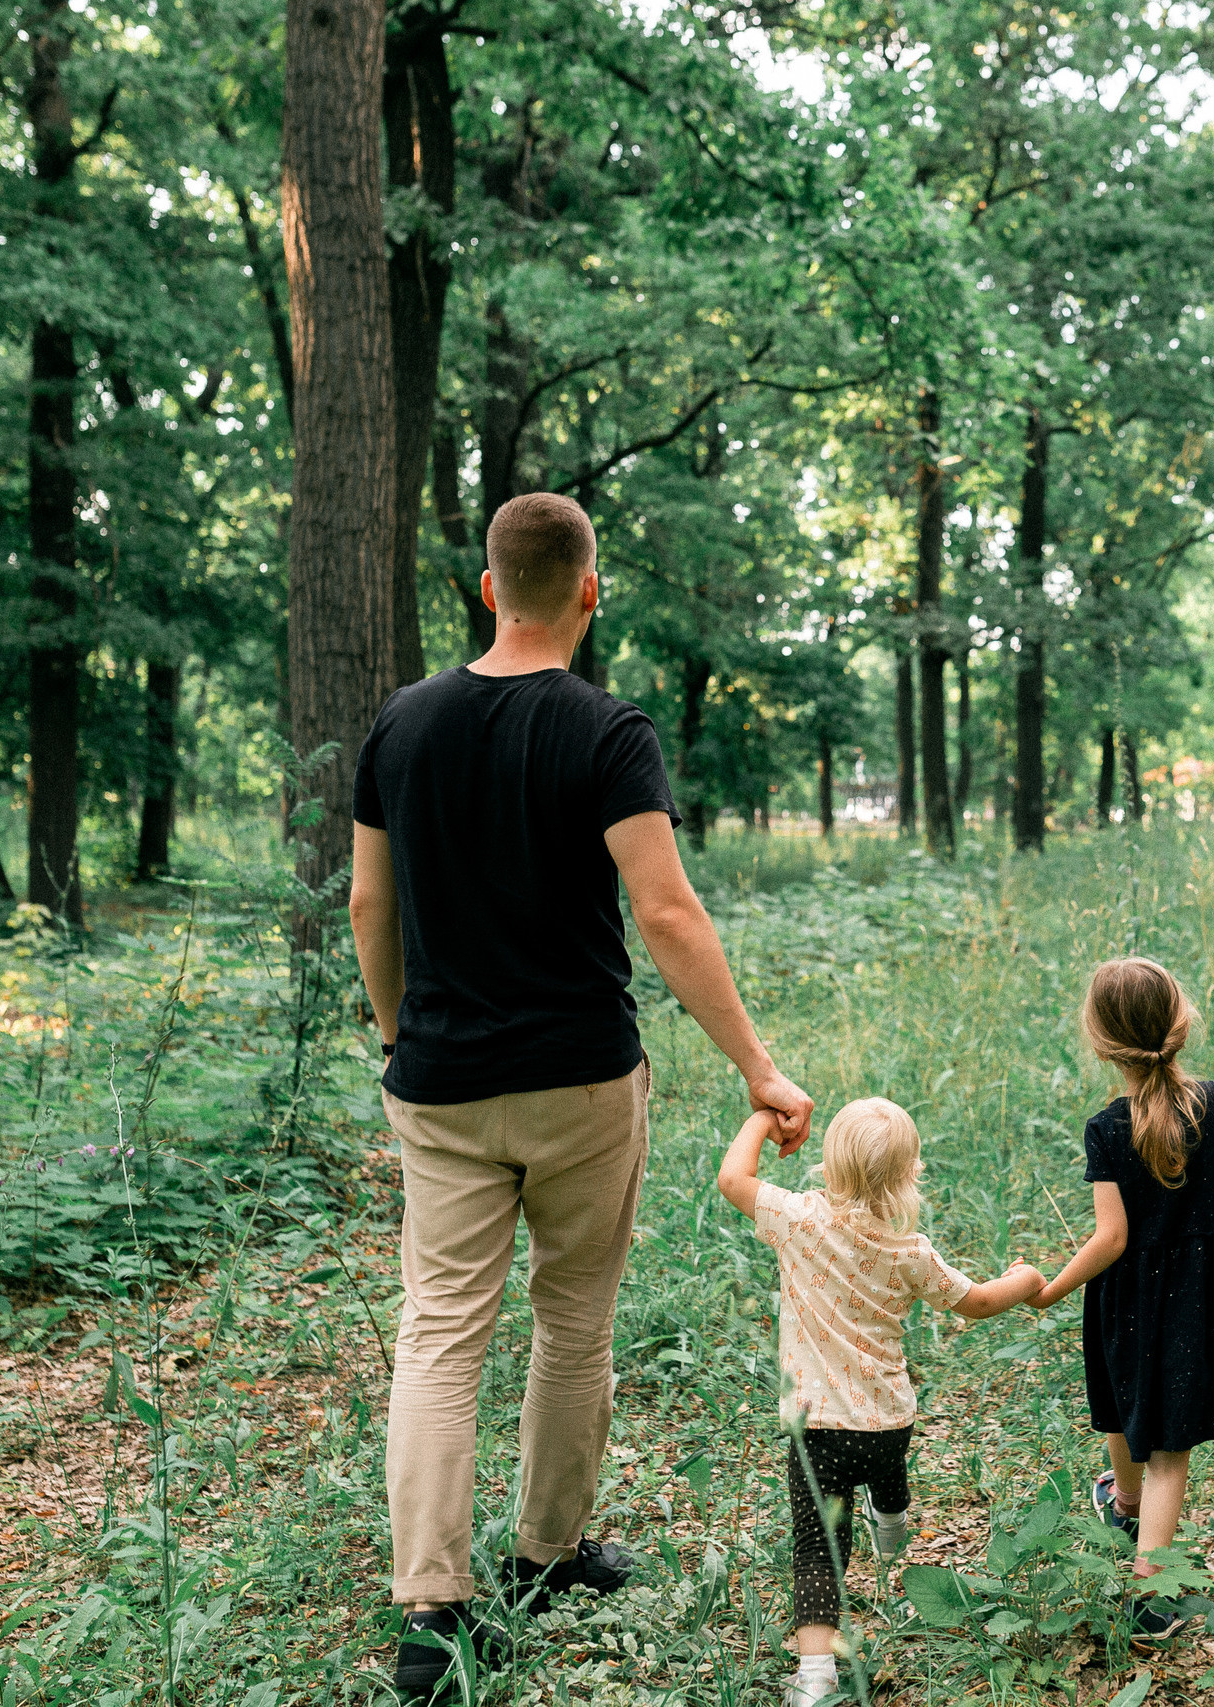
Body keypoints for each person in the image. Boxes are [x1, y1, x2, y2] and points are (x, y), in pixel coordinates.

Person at [348, 491, 814, 1698]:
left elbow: (368, 905)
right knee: (572, 1322)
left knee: (440, 1335)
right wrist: (759, 1067)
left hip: (440, 1086)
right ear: (590, 593)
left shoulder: (399, 725)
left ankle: (431, 1615)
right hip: (581, 1084)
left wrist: (406, 1038)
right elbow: (664, 910)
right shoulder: (611, 732)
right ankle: (546, 1556)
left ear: (488, 589)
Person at [716, 1097, 1043, 1707]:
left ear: (827, 1168)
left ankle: (815, 1677)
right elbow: (975, 1302)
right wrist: (1024, 1281)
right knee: (888, 1475)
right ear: (910, 1175)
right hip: (890, 1418)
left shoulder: (799, 1220)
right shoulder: (910, 1252)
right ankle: (890, 1523)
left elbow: (733, 1177)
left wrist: (765, 1119)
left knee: (818, 1546)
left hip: (817, 1429)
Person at [1032, 956, 1214, 1642]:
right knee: (1170, 1447)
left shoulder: (1106, 1128)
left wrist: (1055, 1286)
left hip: (1126, 1298)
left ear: (1100, 1042)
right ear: (1181, 1023)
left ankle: (1136, 1547)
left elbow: (1112, 1237)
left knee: (1127, 1406)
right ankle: (1141, 1560)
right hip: (1199, 1299)